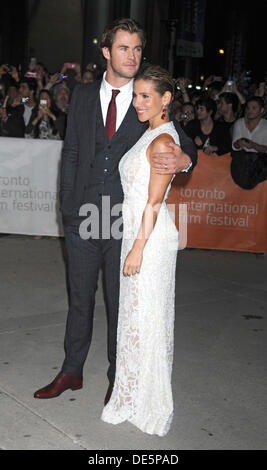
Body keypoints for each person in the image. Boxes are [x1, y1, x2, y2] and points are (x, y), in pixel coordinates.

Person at [33, 18, 197, 404]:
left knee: (120, 302)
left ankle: (117, 375)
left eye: (138, 49)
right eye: (124, 48)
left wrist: (184, 159)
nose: (132, 56)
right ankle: (71, 371)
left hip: (127, 219)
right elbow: (71, 151)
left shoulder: (146, 97)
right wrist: (67, 207)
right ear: (106, 52)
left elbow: (180, 137)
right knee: (80, 297)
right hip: (83, 216)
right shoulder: (84, 94)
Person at [101, 63, 180, 436]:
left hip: (148, 240)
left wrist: (136, 250)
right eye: (136, 95)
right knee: (135, 319)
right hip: (136, 236)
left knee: (147, 319)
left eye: (146, 96)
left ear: (167, 99)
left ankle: (150, 400)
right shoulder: (150, 133)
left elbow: (154, 202)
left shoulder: (163, 141)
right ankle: (131, 394)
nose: (137, 102)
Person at [230, 96, 267, 189]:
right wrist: (238, 143)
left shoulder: (265, 125)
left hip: (261, 164)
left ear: (261, 110)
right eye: (248, 108)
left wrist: (254, 146)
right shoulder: (239, 123)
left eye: (254, 108)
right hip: (241, 164)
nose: (250, 111)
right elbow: (235, 146)